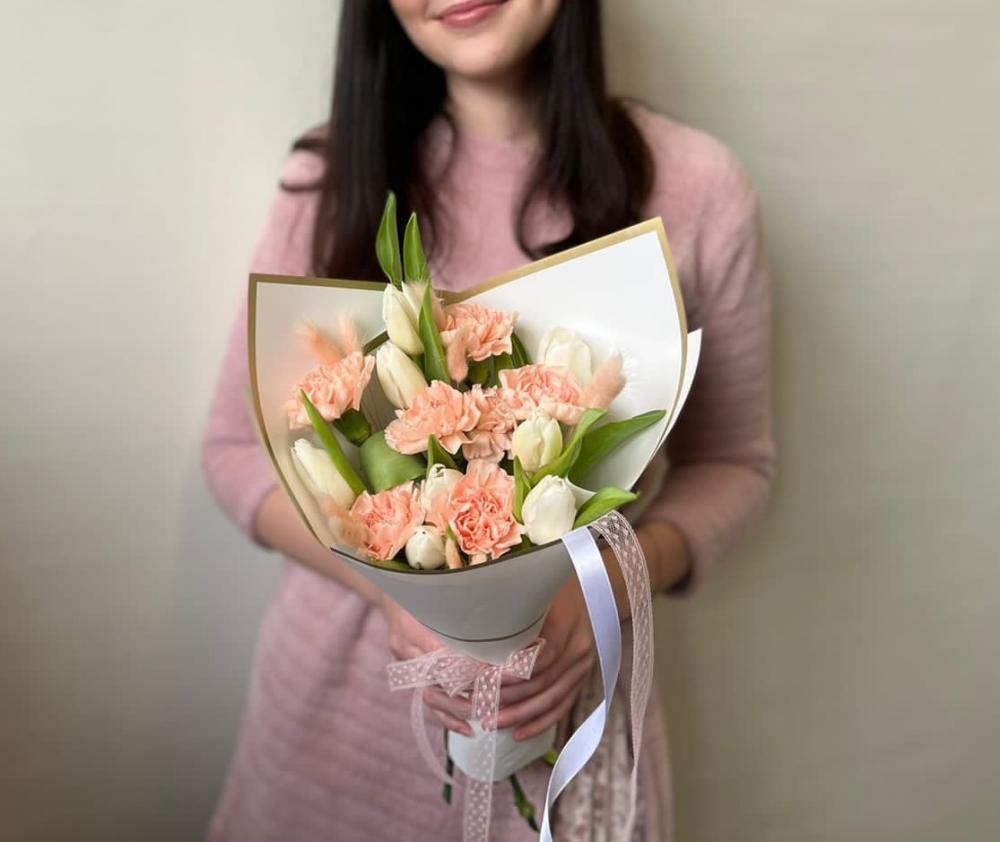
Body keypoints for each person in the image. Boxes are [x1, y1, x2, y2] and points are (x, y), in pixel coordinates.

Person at [202, 1, 775, 839]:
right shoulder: (331, 180)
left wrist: (604, 588)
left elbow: (734, 463)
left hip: (570, 730)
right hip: (329, 742)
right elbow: (233, 450)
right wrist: (393, 595)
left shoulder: (696, 188)